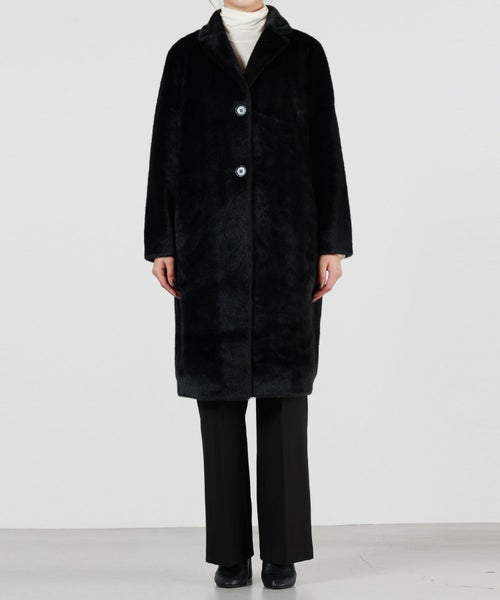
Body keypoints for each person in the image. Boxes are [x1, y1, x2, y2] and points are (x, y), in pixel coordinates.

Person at [143, 0, 353, 589]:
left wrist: (332, 242)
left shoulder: (304, 53)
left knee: (284, 398)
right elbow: (164, 152)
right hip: (208, 248)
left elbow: (327, 148)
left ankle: (282, 552)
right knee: (219, 402)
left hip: (287, 244)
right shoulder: (186, 57)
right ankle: (230, 553)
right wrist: (162, 240)